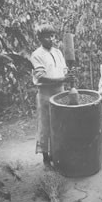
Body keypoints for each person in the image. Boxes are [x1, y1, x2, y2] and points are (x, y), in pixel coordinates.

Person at [30, 24, 74, 168]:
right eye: (47, 36)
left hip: (60, 91)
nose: (51, 39)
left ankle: (58, 153)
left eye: (53, 36)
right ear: (40, 38)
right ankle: (46, 157)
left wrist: (69, 74)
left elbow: (63, 70)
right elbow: (41, 78)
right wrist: (63, 79)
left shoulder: (58, 52)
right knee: (46, 125)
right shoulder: (36, 54)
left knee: (60, 123)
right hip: (46, 94)